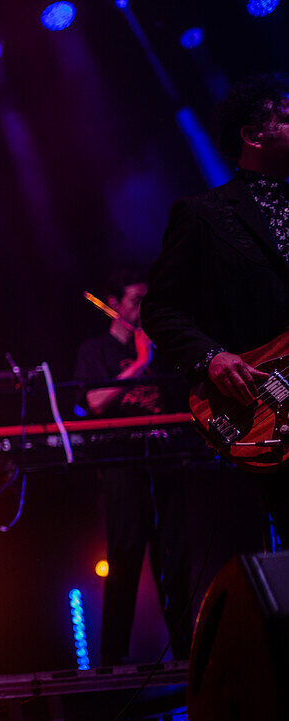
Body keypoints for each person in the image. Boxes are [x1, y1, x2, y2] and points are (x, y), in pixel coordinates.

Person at [142, 73, 289, 542]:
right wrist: (212, 358)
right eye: (286, 117)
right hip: (269, 407)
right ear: (253, 136)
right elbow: (160, 309)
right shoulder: (203, 214)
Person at [75, 271, 192, 665]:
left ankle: (187, 658)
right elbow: (95, 401)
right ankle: (112, 665)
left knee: (174, 561)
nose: (143, 309)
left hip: (165, 464)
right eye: (137, 301)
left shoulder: (161, 349)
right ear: (114, 304)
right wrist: (140, 364)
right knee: (124, 559)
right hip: (123, 465)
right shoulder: (96, 350)